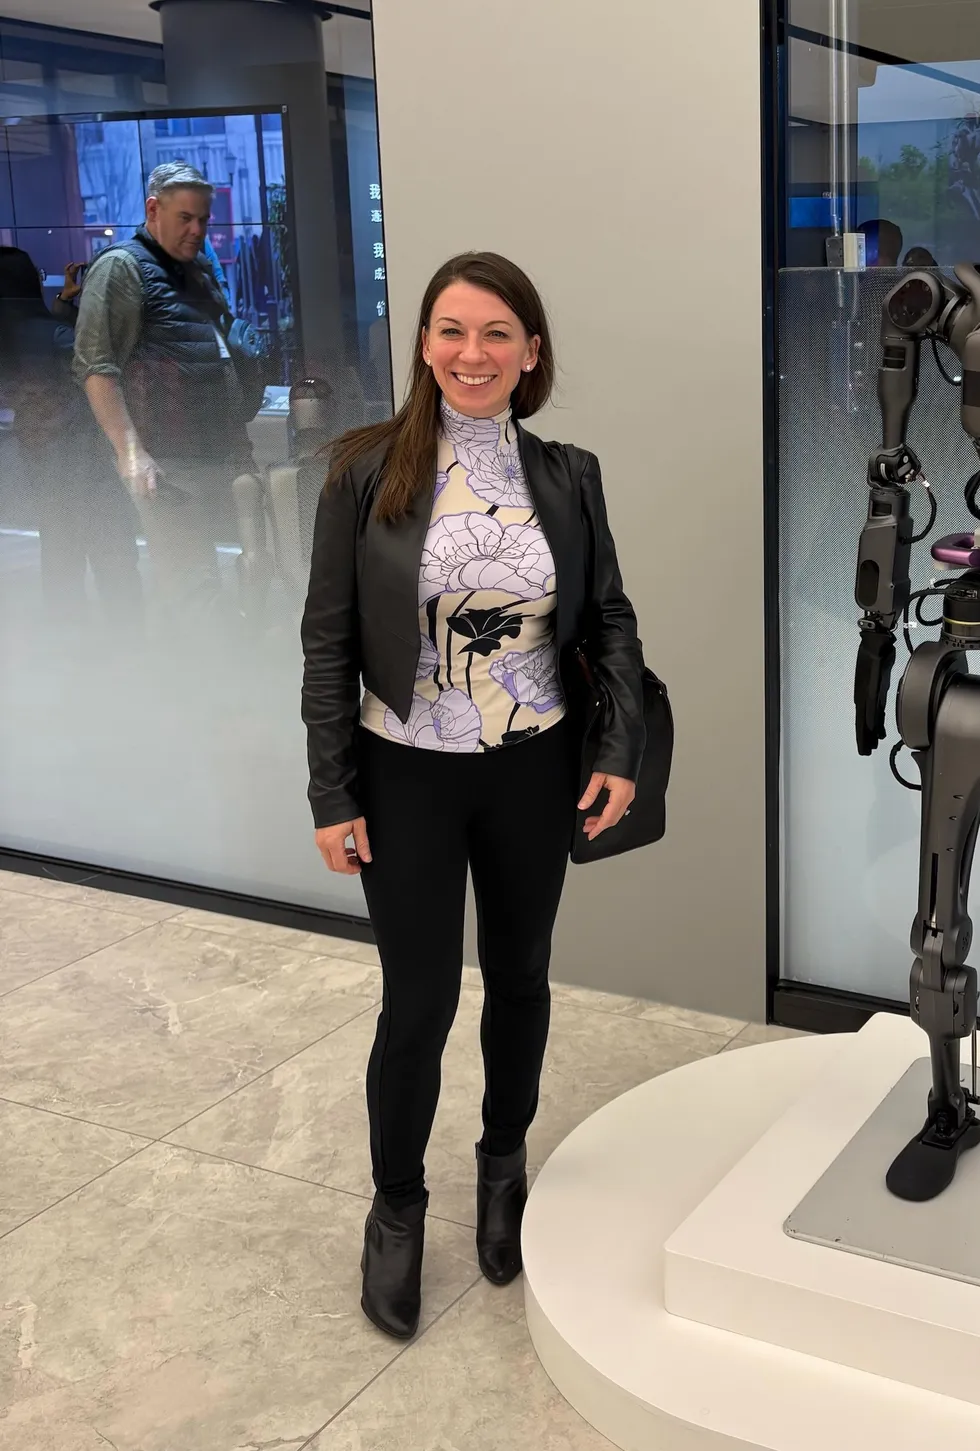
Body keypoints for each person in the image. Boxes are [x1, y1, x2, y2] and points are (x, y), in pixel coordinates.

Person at [299, 250, 645, 1340]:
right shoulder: (363, 470)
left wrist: (619, 747)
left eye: (496, 332)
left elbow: (610, 622)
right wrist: (329, 786)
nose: (471, 353)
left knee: (522, 977)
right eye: (451, 329)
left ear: (530, 352)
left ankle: (504, 1166)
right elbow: (329, 639)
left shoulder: (568, 474)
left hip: (533, 764)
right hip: (402, 767)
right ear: (423, 346)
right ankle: (397, 1205)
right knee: (417, 1002)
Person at [71, 162, 266, 619]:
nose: (197, 229)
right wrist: (130, 451)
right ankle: (187, 682)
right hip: (173, 458)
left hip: (224, 448)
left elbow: (219, 346)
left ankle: (229, 675)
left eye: (202, 219)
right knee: (190, 583)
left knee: (249, 573)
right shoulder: (121, 267)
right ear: (154, 209)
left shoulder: (199, 265)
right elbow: (96, 367)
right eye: (185, 218)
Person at [0, 246, 143, 626]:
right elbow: (93, 360)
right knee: (110, 545)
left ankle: (68, 636)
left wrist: (64, 302)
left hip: (41, 453)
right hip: (82, 455)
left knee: (59, 548)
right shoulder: (53, 334)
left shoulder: (10, 333)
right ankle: (126, 634)